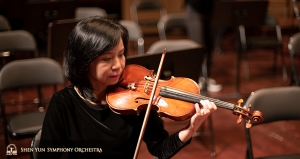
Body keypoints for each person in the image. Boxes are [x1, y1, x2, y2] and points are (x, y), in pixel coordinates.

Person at [38, 16, 217, 159]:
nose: (118, 65)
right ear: (84, 62)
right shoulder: (63, 103)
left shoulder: (136, 100)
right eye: (107, 59)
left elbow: (160, 149)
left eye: (121, 55)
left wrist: (190, 128)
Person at [185, 0, 223, 92]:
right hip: (195, 8)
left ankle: (207, 78)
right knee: (198, 46)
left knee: (209, 45)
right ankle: (198, 79)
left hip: (212, 8)